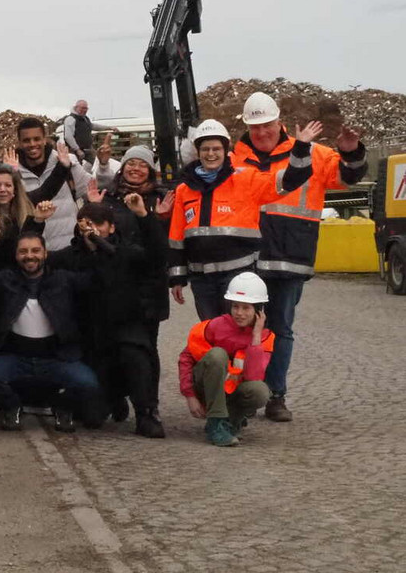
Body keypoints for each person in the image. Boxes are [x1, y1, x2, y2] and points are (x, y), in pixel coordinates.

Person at [229, 92, 367, 422]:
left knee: (281, 328)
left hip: (291, 256)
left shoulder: (313, 154)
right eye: (255, 127)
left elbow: (348, 177)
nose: (262, 133)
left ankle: (276, 396)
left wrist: (351, 152)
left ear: (280, 123)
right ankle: (240, 393)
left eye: (268, 125)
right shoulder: (233, 159)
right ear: (247, 128)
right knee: (239, 328)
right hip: (245, 256)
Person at [168, 119, 320, 321]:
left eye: (216, 149)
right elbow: (177, 237)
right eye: (205, 149)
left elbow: (290, 180)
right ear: (198, 152)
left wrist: (300, 147)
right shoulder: (184, 190)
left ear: (225, 150)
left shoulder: (245, 180)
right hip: (202, 280)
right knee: (212, 334)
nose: (211, 154)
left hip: (238, 276)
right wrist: (177, 278)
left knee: (238, 334)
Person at [57, 201, 167, 438]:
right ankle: (112, 399)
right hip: (92, 340)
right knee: (92, 418)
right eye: (85, 224)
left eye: (97, 224)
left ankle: (145, 413)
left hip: (125, 332)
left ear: (111, 228)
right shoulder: (69, 257)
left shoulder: (126, 253)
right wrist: (37, 222)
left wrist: (144, 216)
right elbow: (34, 261)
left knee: (136, 356)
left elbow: (157, 257)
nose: (91, 229)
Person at [0, 230, 100, 433]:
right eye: (23, 251)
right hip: (16, 356)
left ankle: (63, 407)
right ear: (16, 256)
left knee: (88, 383)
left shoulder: (63, 279)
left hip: (56, 357)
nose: (29, 256)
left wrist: (94, 249)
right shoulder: (6, 279)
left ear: (45, 254)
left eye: (35, 250)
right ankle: (11, 406)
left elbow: (95, 279)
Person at [177, 272, 274, 447]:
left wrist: (256, 337)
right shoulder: (215, 326)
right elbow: (186, 358)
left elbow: (253, 376)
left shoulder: (265, 338)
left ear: (258, 311)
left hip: (232, 391)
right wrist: (190, 396)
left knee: (260, 391)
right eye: (235, 306)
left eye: (246, 308)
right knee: (217, 354)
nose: (239, 313)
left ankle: (231, 420)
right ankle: (216, 423)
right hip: (205, 388)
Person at [13, 118, 90, 250]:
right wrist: (12, 176)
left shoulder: (65, 162)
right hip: (33, 254)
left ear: (44, 139)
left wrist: (103, 166)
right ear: (19, 143)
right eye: (26, 140)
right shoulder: (14, 170)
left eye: (37, 139)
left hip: (68, 247)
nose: (32, 144)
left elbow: (91, 188)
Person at [61, 100, 94, 165]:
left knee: (97, 164)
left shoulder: (85, 118)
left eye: (86, 108)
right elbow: (68, 137)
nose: (84, 110)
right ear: (76, 107)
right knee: (76, 168)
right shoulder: (70, 119)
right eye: (82, 108)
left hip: (87, 149)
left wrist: (109, 128)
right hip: (75, 151)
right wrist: (77, 150)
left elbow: (92, 126)